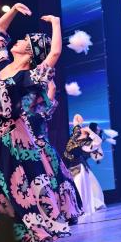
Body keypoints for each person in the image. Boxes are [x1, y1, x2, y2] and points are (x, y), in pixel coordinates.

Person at [0, 3, 70, 242]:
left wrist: (56, 23)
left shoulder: (27, 78)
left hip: (5, 137)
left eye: (25, 40)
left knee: (14, 188)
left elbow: (55, 54)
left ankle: (26, 236)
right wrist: (13, 10)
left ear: (31, 51)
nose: (18, 40)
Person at [22, 79, 83, 224]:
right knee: (52, 181)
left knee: (51, 181)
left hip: (34, 152)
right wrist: (47, 78)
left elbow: (52, 90)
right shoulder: (32, 115)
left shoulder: (29, 115)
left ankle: (55, 214)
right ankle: (60, 213)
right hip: (38, 152)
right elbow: (52, 89)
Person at [62, 114, 107, 218]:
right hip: (70, 167)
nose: (82, 129)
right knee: (74, 189)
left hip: (79, 168)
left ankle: (82, 210)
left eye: (84, 130)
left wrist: (90, 132)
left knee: (80, 189)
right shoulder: (76, 134)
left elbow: (98, 142)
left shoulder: (85, 144)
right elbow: (76, 121)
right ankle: (79, 209)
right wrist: (78, 118)